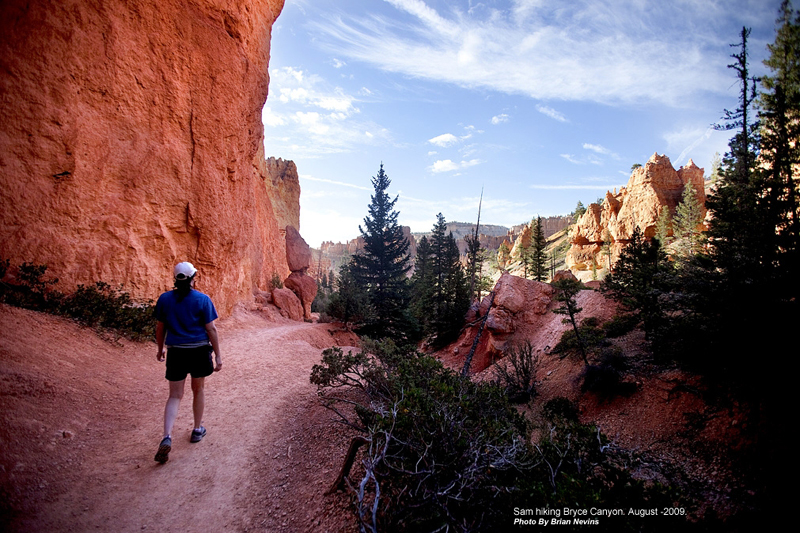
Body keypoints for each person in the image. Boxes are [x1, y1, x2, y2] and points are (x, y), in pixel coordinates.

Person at [153, 262, 222, 463]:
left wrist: (160, 349)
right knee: (198, 389)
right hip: (199, 351)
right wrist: (218, 355)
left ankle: (167, 436)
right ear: (194, 278)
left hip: (176, 352)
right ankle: (197, 429)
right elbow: (211, 330)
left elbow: (160, 328)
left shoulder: (165, 299)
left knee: (174, 395)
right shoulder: (202, 299)